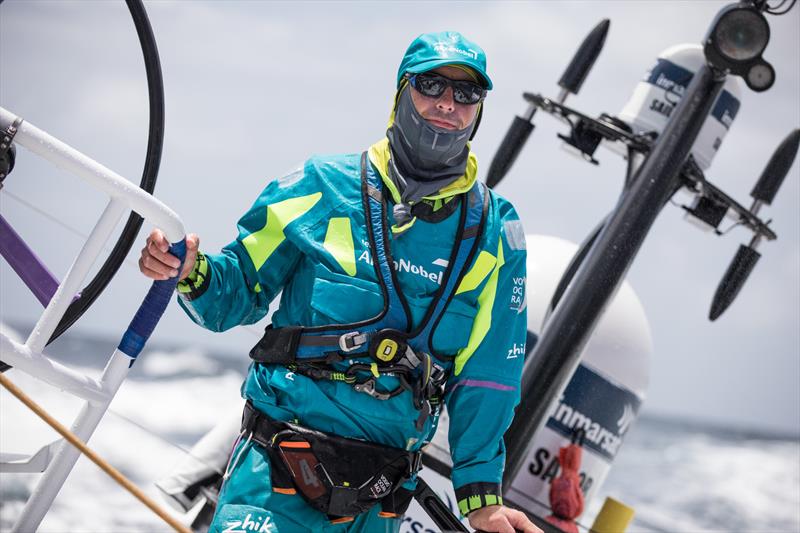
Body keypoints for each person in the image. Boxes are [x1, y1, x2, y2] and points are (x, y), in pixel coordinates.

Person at [140, 31, 539, 533]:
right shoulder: (319, 186)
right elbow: (232, 296)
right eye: (431, 85)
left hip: (380, 503)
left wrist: (480, 499)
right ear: (401, 92)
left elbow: (489, 376)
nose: (447, 104)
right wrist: (189, 270)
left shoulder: (497, 233)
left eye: (466, 94)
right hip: (275, 479)